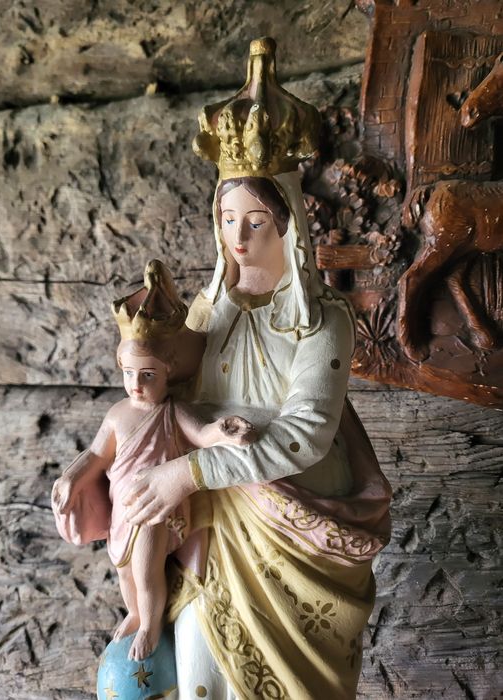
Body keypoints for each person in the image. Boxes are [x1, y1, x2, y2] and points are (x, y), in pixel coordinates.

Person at [123, 38, 391, 699]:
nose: (237, 238)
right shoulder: (207, 309)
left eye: (255, 222)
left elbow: (304, 434)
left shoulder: (322, 320)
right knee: (198, 674)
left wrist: (190, 471)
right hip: (212, 525)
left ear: (288, 224)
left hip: (292, 523)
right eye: (226, 219)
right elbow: (154, 392)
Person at [51, 260, 255, 663]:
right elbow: (97, 454)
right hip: (123, 508)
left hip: (157, 508)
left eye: (147, 375)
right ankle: (135, 611)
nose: (136, 385)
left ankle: (150, 623)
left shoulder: (173, 411)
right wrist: (71, 479)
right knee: (124, 568)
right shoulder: (117, 414)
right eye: (129, 374)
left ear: (168, 371)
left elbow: (202, 434)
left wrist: (222, 431)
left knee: (146, 570)